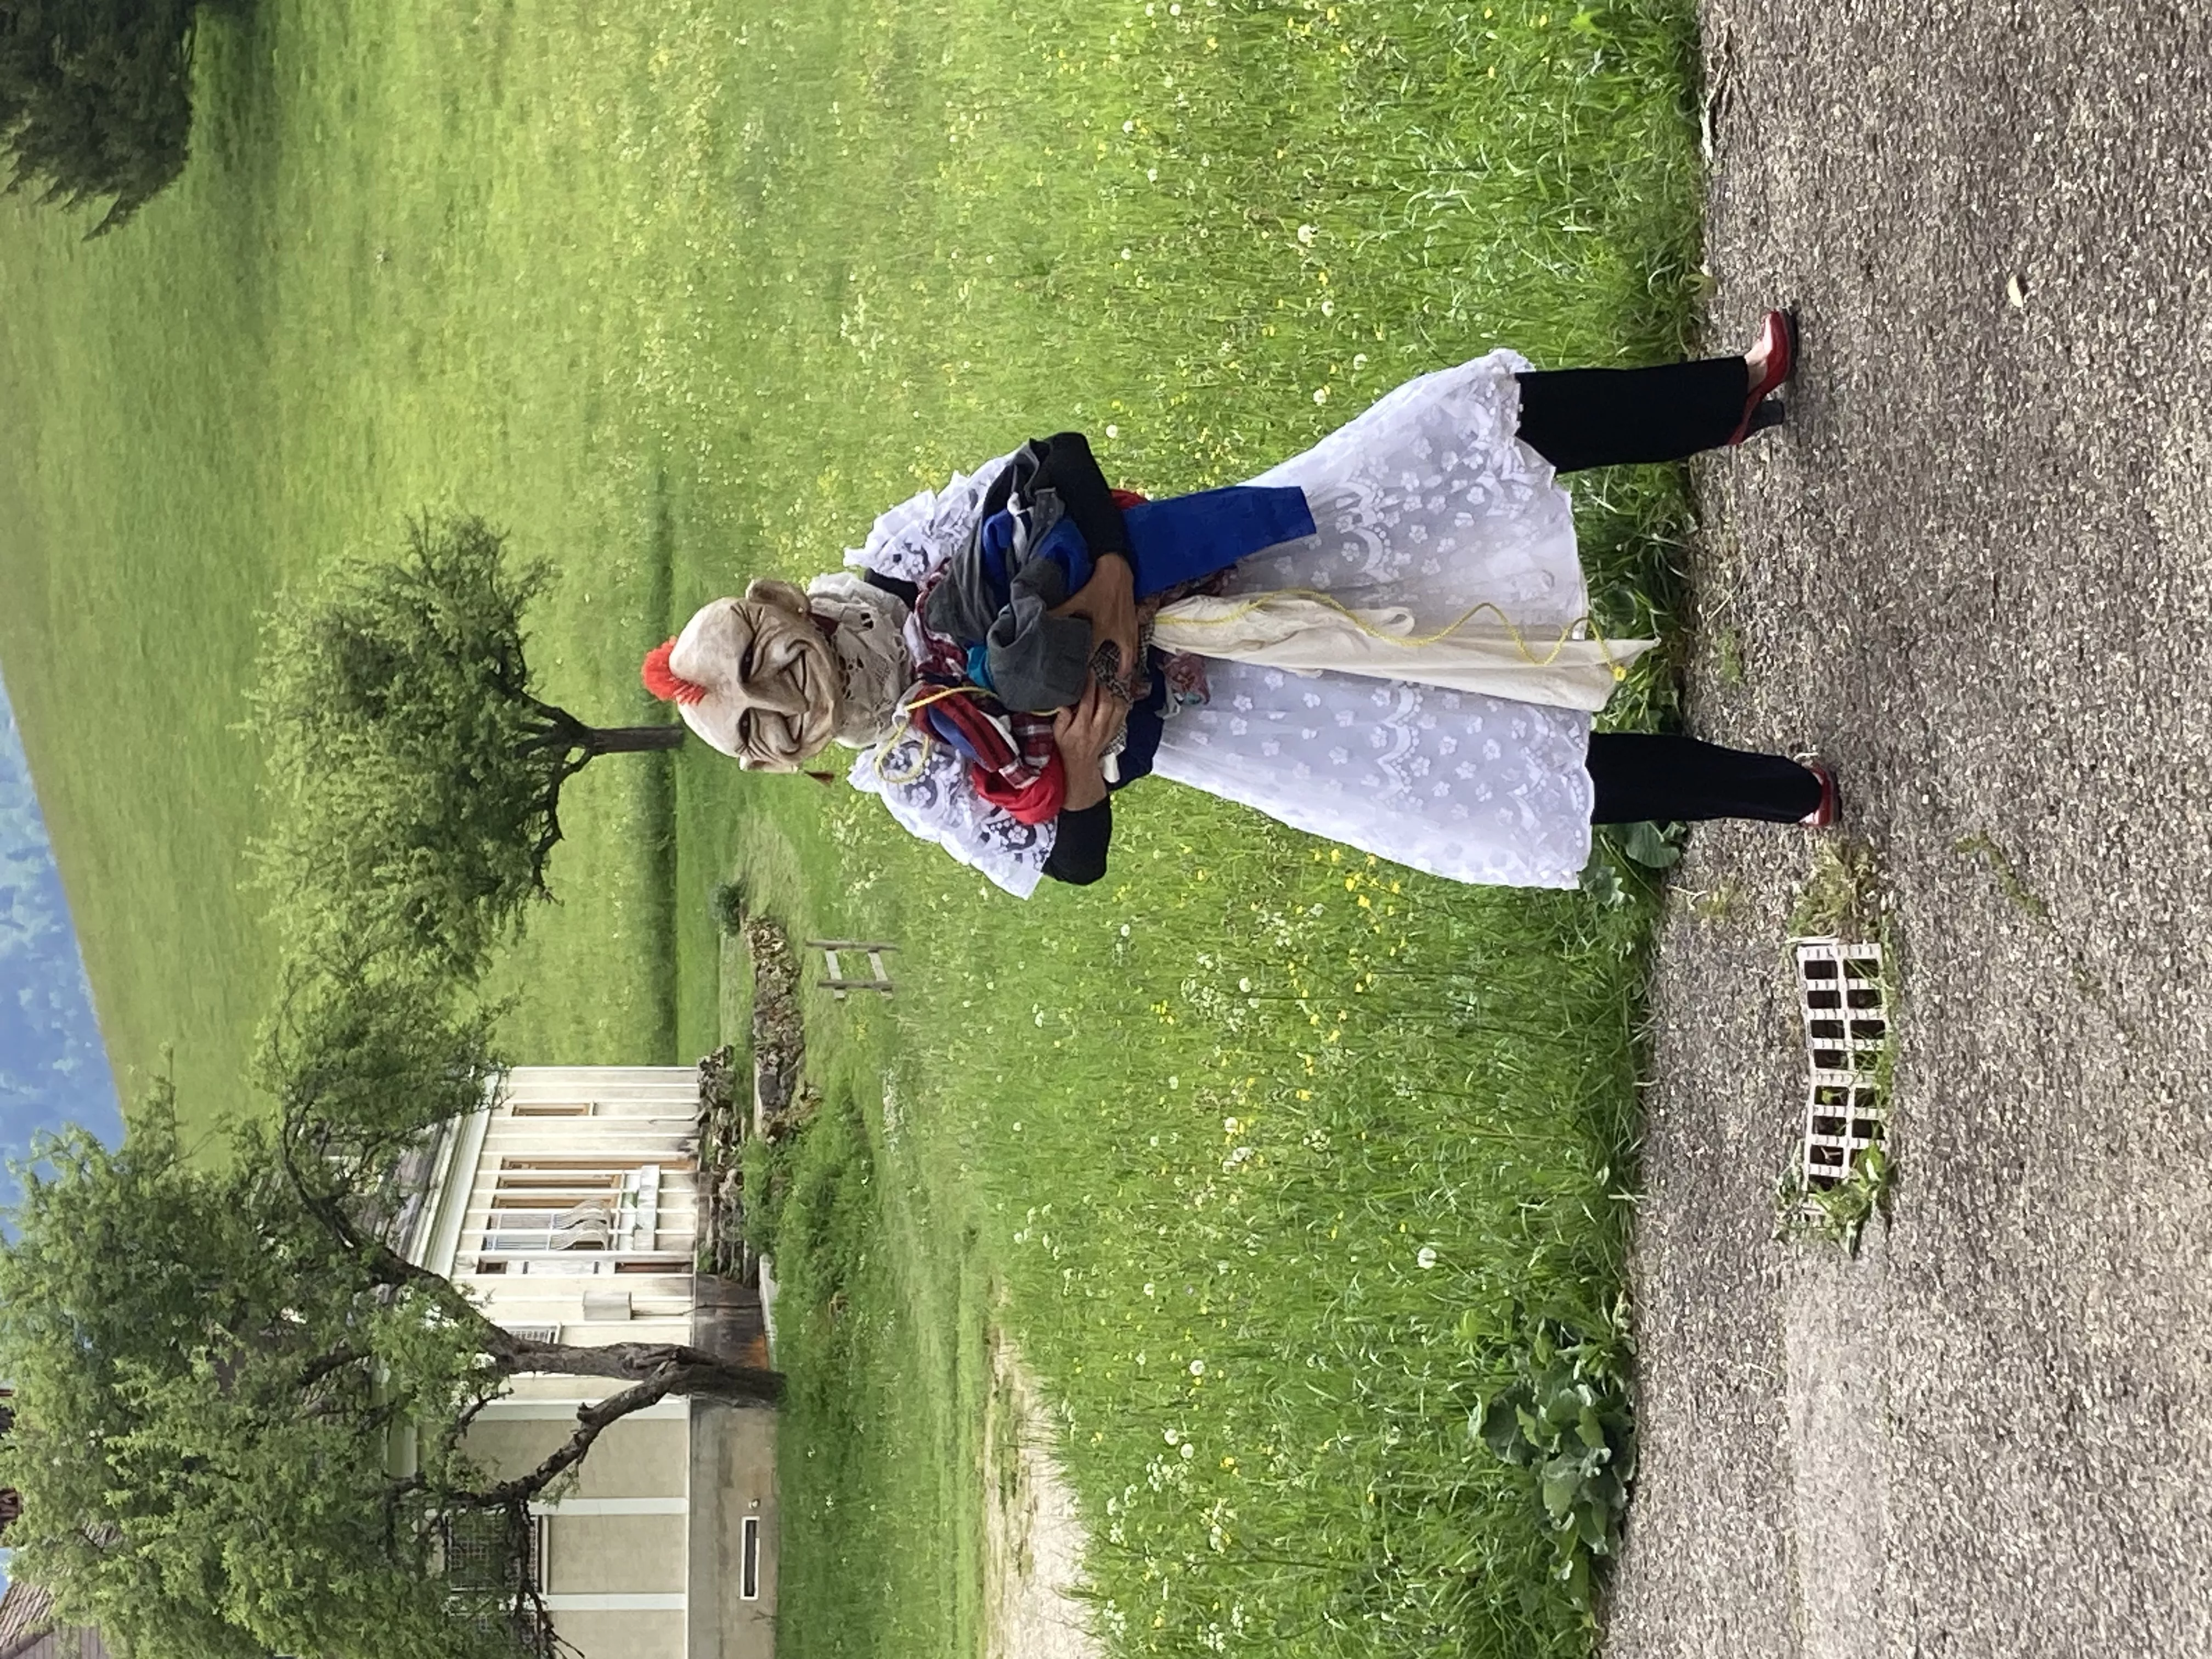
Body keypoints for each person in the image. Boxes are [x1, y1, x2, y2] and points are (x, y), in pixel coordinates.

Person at [645, 312, 1835, 896]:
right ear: (773, 760)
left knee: (1463, 437)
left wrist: (1107, 581)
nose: (773, 687)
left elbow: (1051, 464)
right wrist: (1088, 757)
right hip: (1242, 715)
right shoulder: (912, 772)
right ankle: (1785, 795)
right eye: (754, 716)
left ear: (775, 599)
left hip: (1230, 559)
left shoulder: (900, 559)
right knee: (1489, 762)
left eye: (753, 650)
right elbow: (1071, 860)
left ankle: (1723, 396)